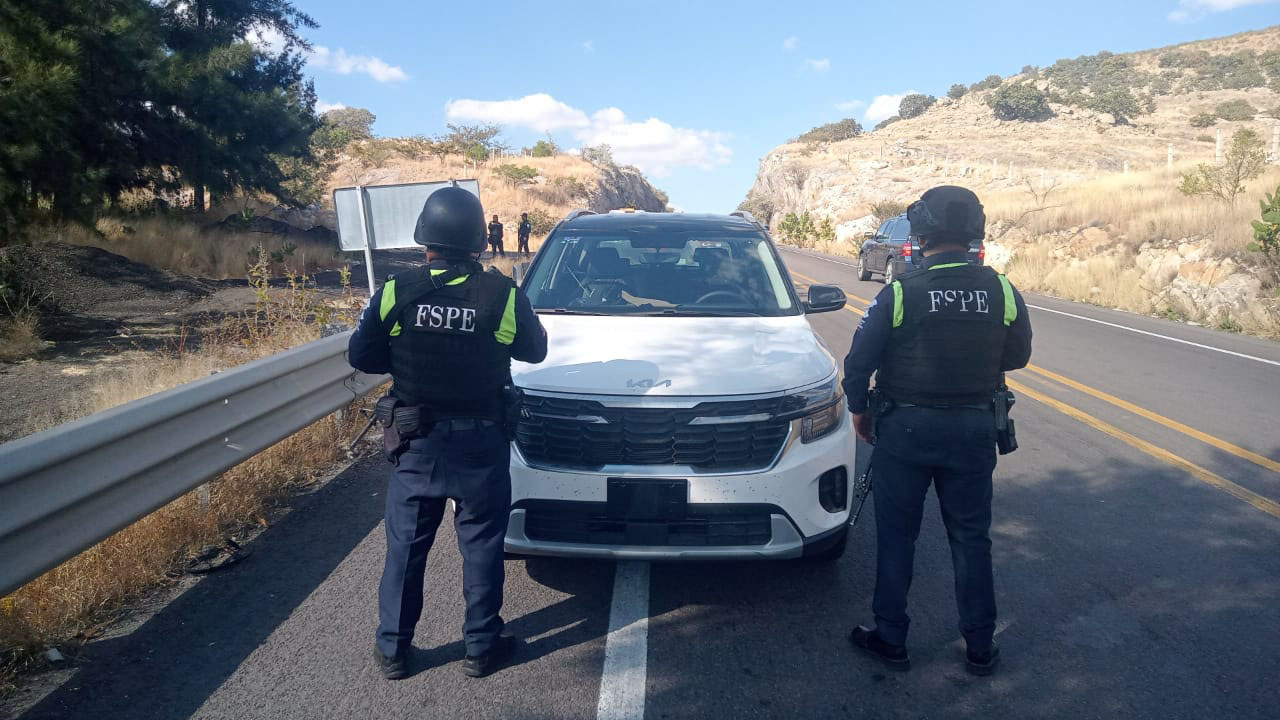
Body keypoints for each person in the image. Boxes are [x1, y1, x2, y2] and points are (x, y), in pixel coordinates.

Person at [348, 187, 548, 681]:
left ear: (425, 241)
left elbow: (363, 356)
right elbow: (535, 351)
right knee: (480, 546)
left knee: (406, 549)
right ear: (480, 240)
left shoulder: (397, 291)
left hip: (416, 444)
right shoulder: (501, 295)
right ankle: (480, 647)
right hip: (480, 446)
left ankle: (394, 650)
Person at [842, 185, 1032, 677]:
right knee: (972, 538)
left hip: (904, 431)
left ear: (920, 233)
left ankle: (891, 638)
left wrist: (861, 411)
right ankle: (980, 647)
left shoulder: (901, 291)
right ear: (974, 233)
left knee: (898, 537)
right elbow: (1018, 357)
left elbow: (859, 363)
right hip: (973, 430)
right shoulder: (1003, 290)